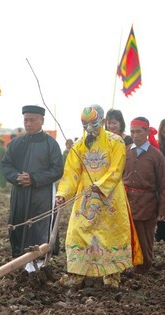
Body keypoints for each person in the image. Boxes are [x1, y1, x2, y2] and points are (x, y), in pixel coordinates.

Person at [55, 104, 141, 288]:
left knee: (111, 235)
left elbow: (116, 169)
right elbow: (71, 173)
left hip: (109, 199)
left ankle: (111, 276)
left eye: (93, 123)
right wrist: (63, 194)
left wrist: (101, 185)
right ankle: (78, 274)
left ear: (102, 122)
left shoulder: (115, 141)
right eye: (84, 124)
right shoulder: (78, 146)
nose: (88, 128)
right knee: (78, 233)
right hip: (84, 200)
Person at [1, 105, 64, 272]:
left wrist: (34, 179)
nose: (28, 124)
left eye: (32, 120)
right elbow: (6, 165)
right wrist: (16, 177)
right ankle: (20, 261)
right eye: (26, 120)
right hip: (20, 193)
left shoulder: (51, 144)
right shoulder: (15, 144)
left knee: (39, 225)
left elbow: (57, 169)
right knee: (19, 224)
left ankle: (40, 262)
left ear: (42, 121)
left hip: (41, 193)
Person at [123, 117, 165, 274]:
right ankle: (128, 265)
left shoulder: (156, 156)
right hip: (127, 201)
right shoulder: (125, 152)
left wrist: (163, 209)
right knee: (127, 235)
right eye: (132, 132)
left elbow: (164, 184)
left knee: (145, 237)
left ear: (147, 132)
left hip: (147, 203)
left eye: (138, 132)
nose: (135, 135)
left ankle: (144, 267)